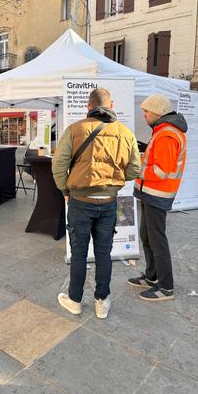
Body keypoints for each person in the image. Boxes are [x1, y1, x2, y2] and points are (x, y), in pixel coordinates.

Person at [52, 88, 141, 319]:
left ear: (88, 107)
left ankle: (74, 301)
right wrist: (112, 179)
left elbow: (59, 166)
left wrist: (65, 190)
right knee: (104, 253)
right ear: (111, 107)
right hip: (109, 202)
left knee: (79, 253)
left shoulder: (74, 129)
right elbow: (134, 171)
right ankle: (102, 302)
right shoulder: (125, 133)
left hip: (80, 201)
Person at [128, 94, 187, 301]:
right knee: (147, 235)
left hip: (157, 194)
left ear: (157, 112)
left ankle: (166, 287)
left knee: (157, 240)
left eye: (146, 111)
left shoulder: (167, 135)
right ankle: (152, 276)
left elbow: (162, 171)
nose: (143, 115)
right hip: (150, 193)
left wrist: (134, 170)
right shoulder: (161, 131)